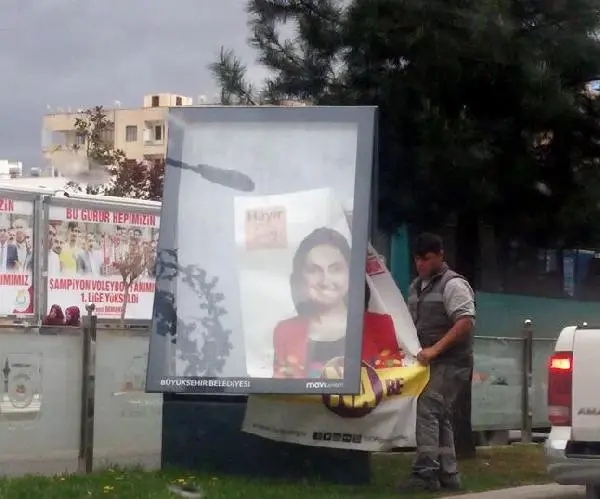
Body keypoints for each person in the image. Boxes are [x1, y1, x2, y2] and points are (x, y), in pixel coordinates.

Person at [400, 232, 475, 493]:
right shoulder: (414, 287)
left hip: (453, 362)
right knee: (439, 414)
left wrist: (435, 350)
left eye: (426, 259)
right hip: (430, 362)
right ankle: (449, 475)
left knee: (428, 406)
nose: (420, 264)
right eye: (417, 259)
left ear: (440, 255)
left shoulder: (453, 285)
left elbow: (465, 322)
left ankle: (425, 473)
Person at [272, 227, 399, 378]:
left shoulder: (381, 326)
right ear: (301, 277)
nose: (326, 281)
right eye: (314, 270)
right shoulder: (285, 331)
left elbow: (393, 386)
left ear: (350, 274)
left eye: (336, 269)